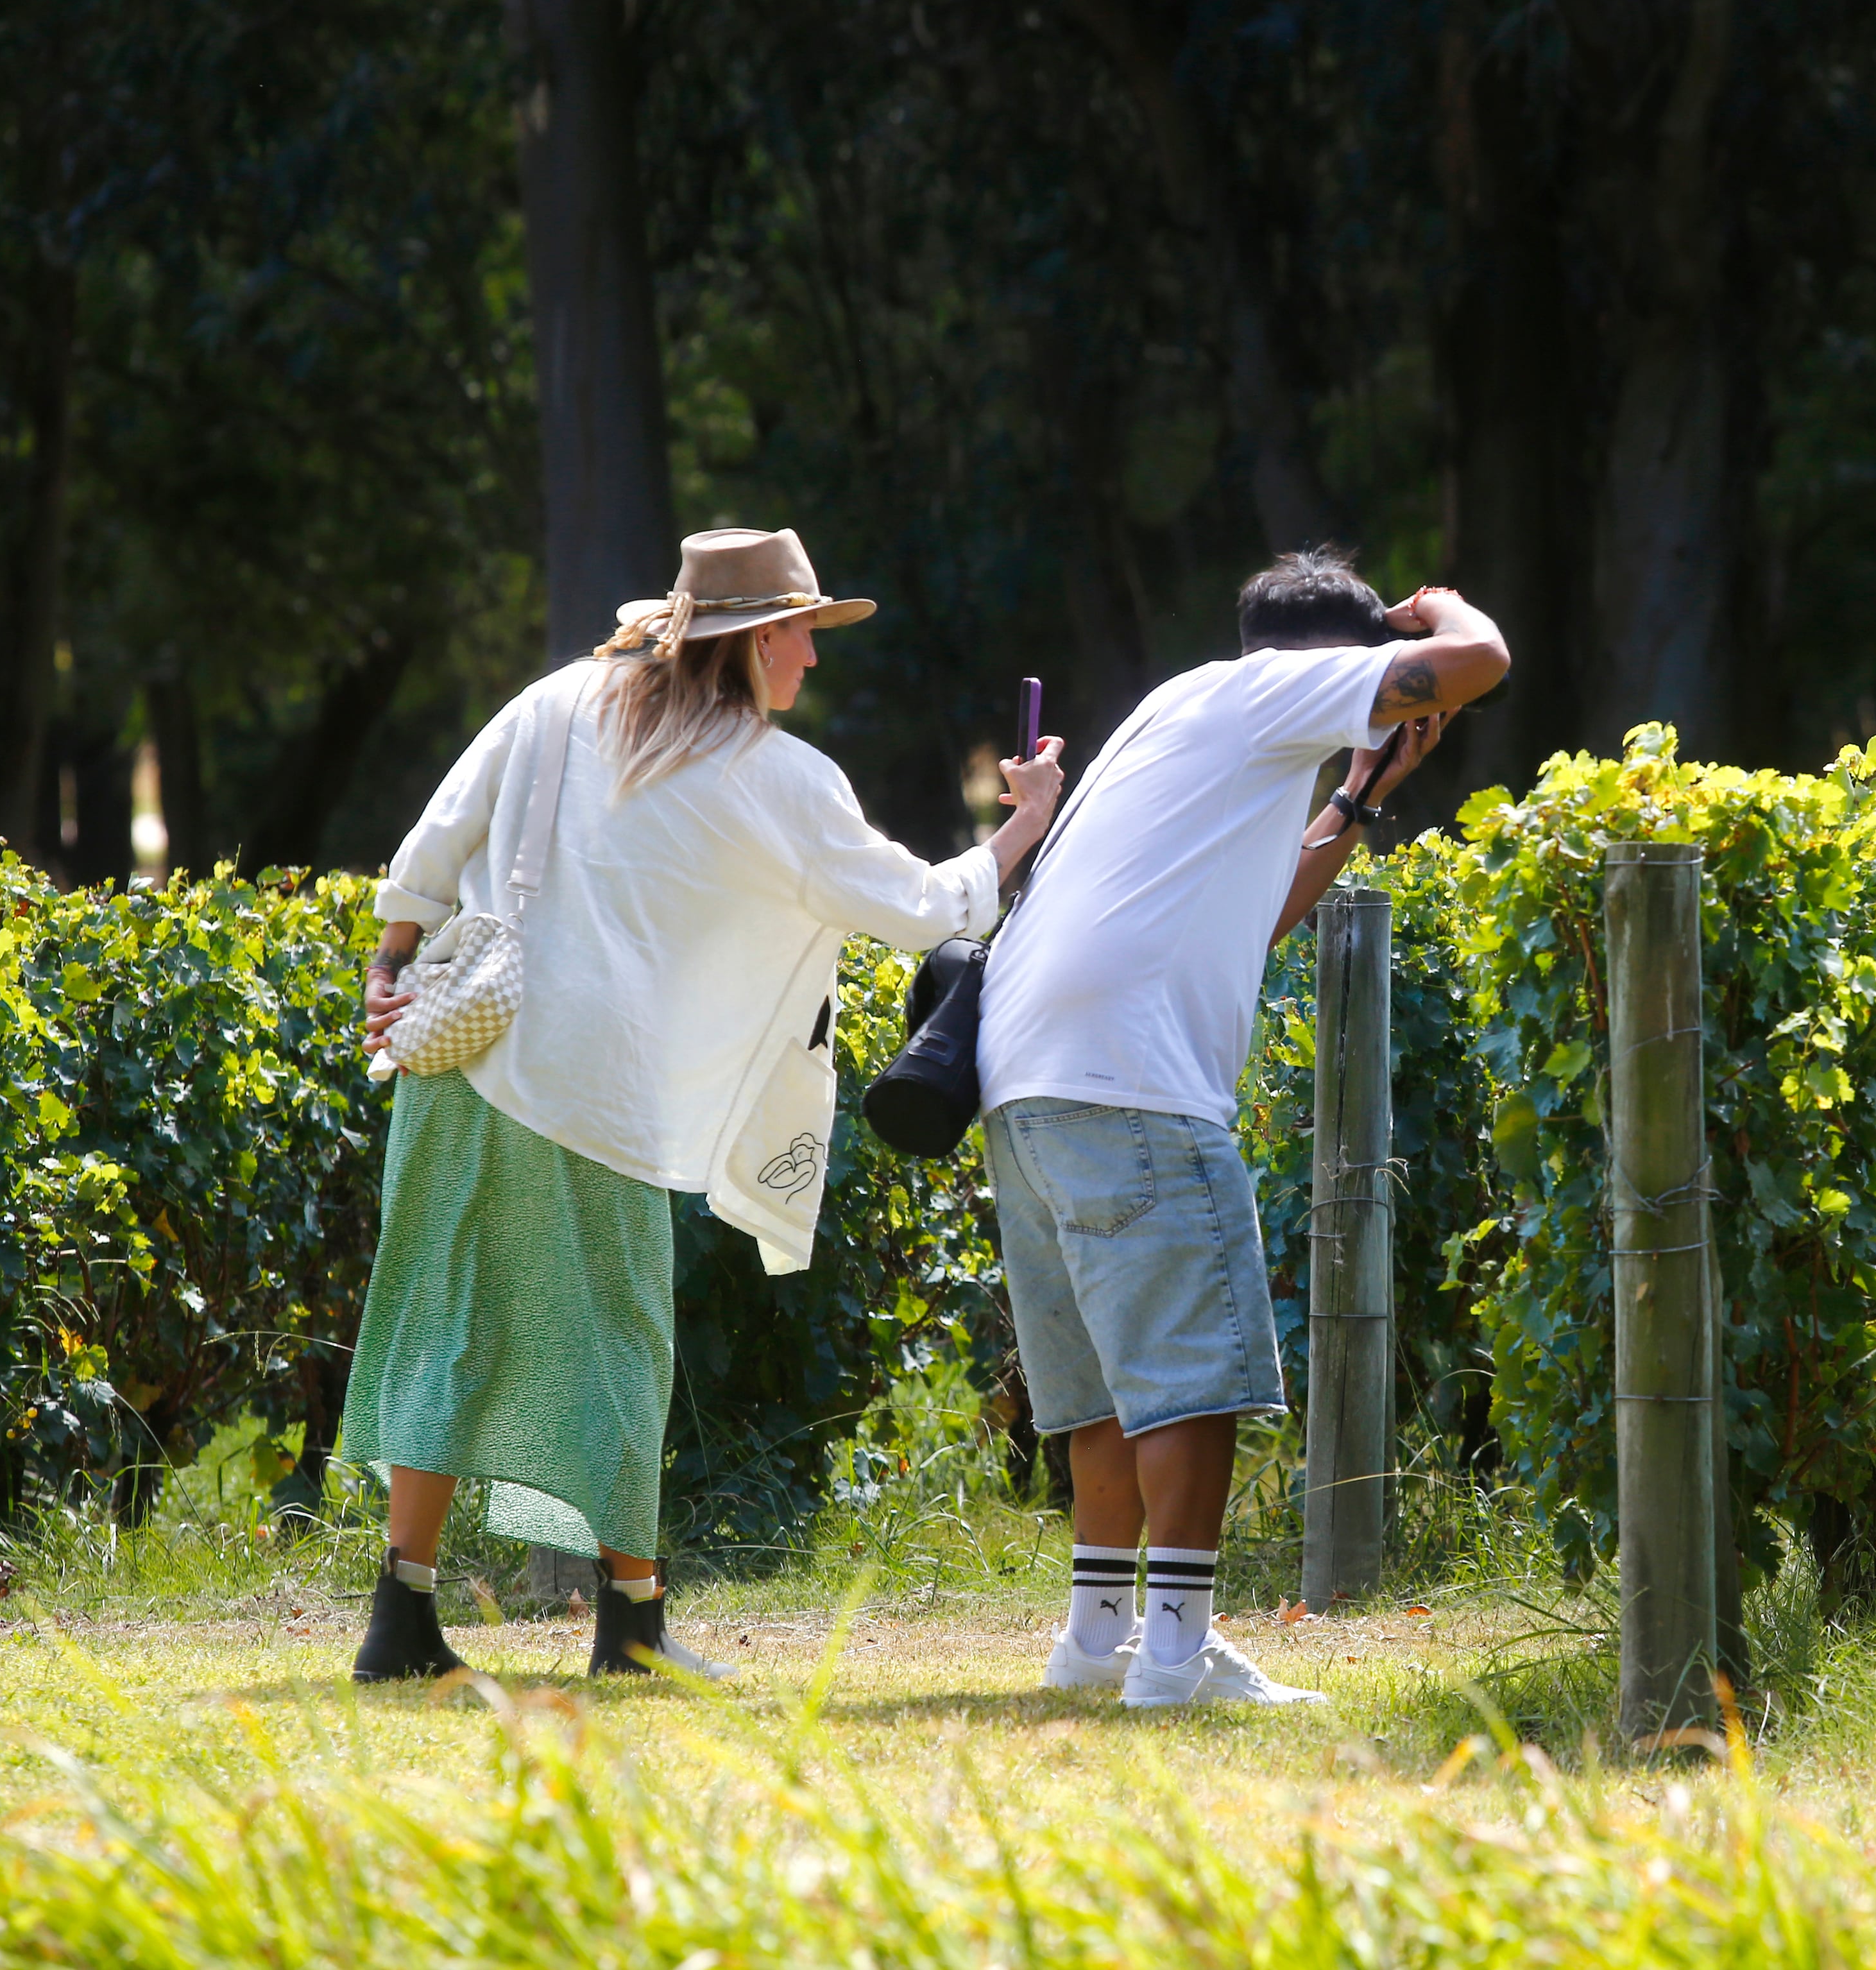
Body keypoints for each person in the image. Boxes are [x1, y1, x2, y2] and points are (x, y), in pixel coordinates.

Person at [339, 527, 1066, 1684]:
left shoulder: (553, 702)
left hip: (461, 1053)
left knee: (450, 1322)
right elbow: (929, 908)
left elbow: (438, 835)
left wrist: (390, 963)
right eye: (804, 635)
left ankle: (402, 1615)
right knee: (625, 1341)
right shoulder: (775, 776)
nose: (814, 661)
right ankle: (630, 1626)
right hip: (593, 1085)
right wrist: (1025, 820)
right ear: (758, 640)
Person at [981, 550, 1510, 1707]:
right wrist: (1430, 614)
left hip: (1026, 1080)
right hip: (1132, 1079)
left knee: (1113, 1389)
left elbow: (1253, 920)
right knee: (1193, 1380)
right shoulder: (1281, 691)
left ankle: (1096, 1643)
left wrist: (1356, 803)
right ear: (1348, 663)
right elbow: (1481, 662)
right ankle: (1175, 1657)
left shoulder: (1186, 711)